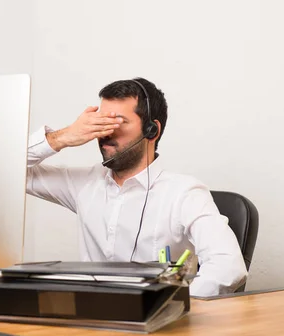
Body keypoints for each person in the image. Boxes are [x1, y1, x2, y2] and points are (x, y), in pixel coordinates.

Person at [26, 77, 247, 297]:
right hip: (93, 320)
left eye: (117, 122)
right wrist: (63, 137)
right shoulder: (84, 184)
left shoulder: (184, 193)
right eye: (100, 122)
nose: (105, 133)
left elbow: (228, 266)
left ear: (152, 130)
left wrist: (164, 306)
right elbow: (5, 171)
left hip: (156, 326)